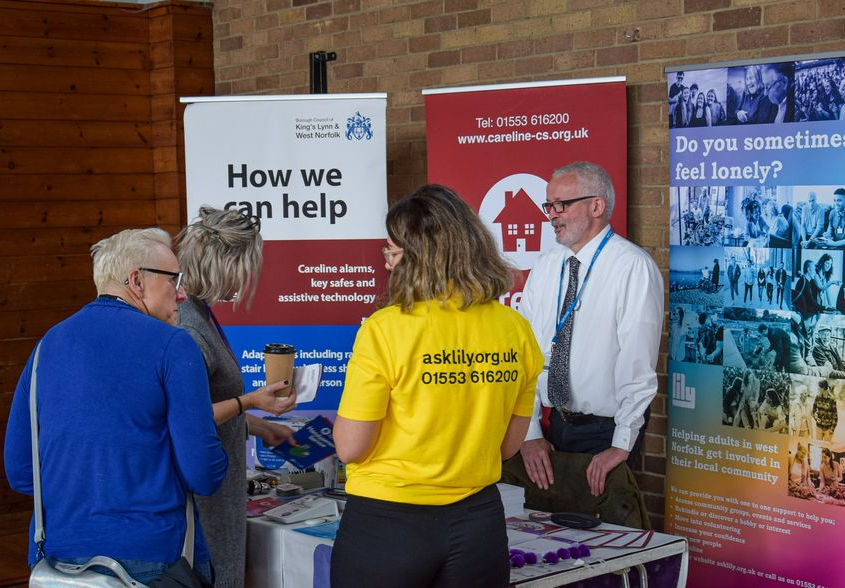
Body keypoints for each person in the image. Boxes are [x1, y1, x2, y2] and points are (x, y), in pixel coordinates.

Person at [330, 185, 543, 588]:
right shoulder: (516, 329)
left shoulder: (385, 329)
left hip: (388, 522)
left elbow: (351, 447)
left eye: (392, 252)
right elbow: (507, 447)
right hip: (478, 525)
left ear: (418, 257)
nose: (388, 264)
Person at [3, 228, 228, 584]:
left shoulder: (47, 345)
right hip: (153, 557)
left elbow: (20, 470)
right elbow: (204, 473)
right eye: (174, 279)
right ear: (136, 280)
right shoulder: (173, 345)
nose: (183, 293)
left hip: (58, 558)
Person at [518, 161, 663, 497]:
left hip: (605, 433)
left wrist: (622, 444)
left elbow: (637, 366)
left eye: (561, 205)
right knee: (548, 523)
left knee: (600, 526)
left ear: (596, 206)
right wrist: (529, 433)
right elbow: (524, 354)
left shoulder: (632, 267)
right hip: (553, 427)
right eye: (549, 205)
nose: (552, 215)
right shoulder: (546, 266)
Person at [177, 207, 298, 588]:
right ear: (224, 265)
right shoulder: (189, 327)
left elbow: (211, 404)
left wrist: (261, 427)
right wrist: (251, 402)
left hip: (221, 491)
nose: (246, 282)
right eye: (244, 270)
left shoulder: (198, 314)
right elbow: (188, 417)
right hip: (207, 496)